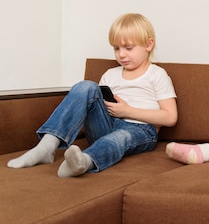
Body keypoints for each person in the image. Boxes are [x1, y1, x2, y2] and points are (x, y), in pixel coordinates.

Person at [7, 13, 178, 177]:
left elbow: (170, 117)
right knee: (86, 86)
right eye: (116, 48)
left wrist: (127, 111)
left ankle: (84, 161)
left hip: (141, 130)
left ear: (148, 45)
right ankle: (47, 145)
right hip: (106, 125)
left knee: (120, 137)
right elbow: (96, 105)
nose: (121, 54)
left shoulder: (157, 74)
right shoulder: (110, 74)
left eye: (128, 48)